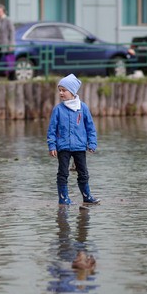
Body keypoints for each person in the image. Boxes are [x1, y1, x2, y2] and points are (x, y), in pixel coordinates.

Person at [47, 74, 100, 206]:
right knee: (63, 173)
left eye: (63, 90)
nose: (61, 93)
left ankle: (87, 197)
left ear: (72, 91)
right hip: (63, 147)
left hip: (80, 147)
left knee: (83, 173)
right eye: (59, 90)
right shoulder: (58, 109)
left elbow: (90, 128)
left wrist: (92, 143)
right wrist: (52, 145)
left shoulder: (83, 108)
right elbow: (52, 129)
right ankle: (63, 199)